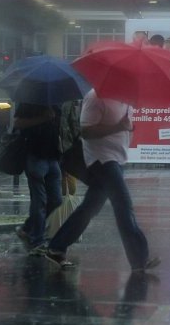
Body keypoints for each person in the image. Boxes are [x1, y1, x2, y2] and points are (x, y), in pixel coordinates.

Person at [42, 88, 159, 272]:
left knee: (89, 208)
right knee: (123, 205)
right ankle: (139, 259)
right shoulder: (96, 97)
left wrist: (127, 128)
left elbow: (124, 125)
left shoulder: (126, 98)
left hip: (117, 159)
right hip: (101, 160)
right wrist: (119, 127)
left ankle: (56, 247)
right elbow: (86, 132)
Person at [13, 102, 63, 251]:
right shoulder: (30, 99)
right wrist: (43, 118)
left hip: (53, 157)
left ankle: (28, 228)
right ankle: (37, 240)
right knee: (39, 200)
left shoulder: (56, 102)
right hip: (35, 155)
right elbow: (17, 123)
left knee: (56, 200)